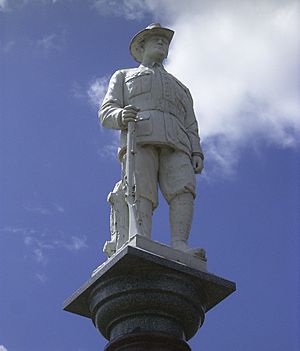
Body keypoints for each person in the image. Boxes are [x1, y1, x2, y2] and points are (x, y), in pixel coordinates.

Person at [99, 23, 204, 254]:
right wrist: (120, 115)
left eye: (165, 41)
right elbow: (106, 111)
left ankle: (180, 244)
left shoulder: (181, 88)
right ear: (141, 45)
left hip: (178, 143)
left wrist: (196, 151)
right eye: (156, 39)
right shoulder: (124, 76)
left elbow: (191, 124)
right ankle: (140, 237)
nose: (162, 43)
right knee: (140, 188)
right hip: (140, 137)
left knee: (183, 188)